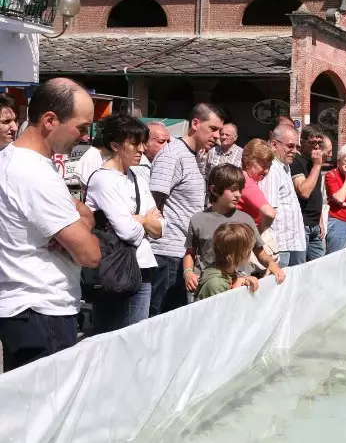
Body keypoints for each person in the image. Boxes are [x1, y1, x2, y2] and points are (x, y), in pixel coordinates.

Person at [0, 78, 101, 371]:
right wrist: (80, 225)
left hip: (23, 310)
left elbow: (83, 214)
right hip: (44, 310)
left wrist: (78, 221)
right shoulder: (34, 173)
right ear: (49, 120)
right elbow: (90, 254)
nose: (86, 136)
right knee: (51, 398)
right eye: (81, 127)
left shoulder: (10, 160)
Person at [84, 114, 164, 332]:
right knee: (112, 338)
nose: (141, 149)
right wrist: (145, 221)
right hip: (114, 271)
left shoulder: (138, 178)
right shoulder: (103, 179)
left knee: (137, 337)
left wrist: (141, 220)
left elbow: (161, 227)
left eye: (143, 143)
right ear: (115, 145)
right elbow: (128, 232)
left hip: (143, 267)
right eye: (134, 143)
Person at [149, 103, 223, 316]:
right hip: (167, 252)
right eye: (213, 129)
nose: (217, 136)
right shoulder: (173, 154)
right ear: (195, 124)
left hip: (184, 252)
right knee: (161, 318)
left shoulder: (195, 156)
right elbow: (154, 201)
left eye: (219, 130)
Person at [183, 164, 283, 296]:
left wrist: (271, 264)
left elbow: (260, 252)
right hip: (209, 287)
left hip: (241, 286)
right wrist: (188, 273)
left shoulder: (246, 220)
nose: (238, 195)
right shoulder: (198, 220)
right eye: (233, 190)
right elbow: (190, 253)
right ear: (214, 190)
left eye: (240, 190)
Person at [260, 124, 306, 267]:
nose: (294, 151)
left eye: (297, 147)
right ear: (274, 144)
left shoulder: (284, 166)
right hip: (280, 244)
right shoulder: (272, 170)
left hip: (292, 242)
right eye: (290, 146)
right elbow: (268, 210)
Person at [195, 224, 260, 301]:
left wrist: (244, 280)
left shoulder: (227, 271)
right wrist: (236, 289)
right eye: (249, 250)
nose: (250, 253)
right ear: (241, 254)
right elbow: (221, 307)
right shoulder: (216, 284)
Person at [291, 125, 326, 262]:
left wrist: (320, 219)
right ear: (303, 142)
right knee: (300, 266)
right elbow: (304, 192)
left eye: (320, 143)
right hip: (302, 224)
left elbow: (316, 193)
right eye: (312, 143)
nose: (317, 147)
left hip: (315, 224)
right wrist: (317, 165)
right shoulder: (296, 161)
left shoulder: (314, 162)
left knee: (319, 265)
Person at [237, 139, 277, 233]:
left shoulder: (238, 177)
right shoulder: (248, 184)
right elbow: (270, 213)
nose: (266, 171)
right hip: (245, 236)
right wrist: (258, 231)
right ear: (247, 163)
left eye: (269, 167)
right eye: (263, 166)